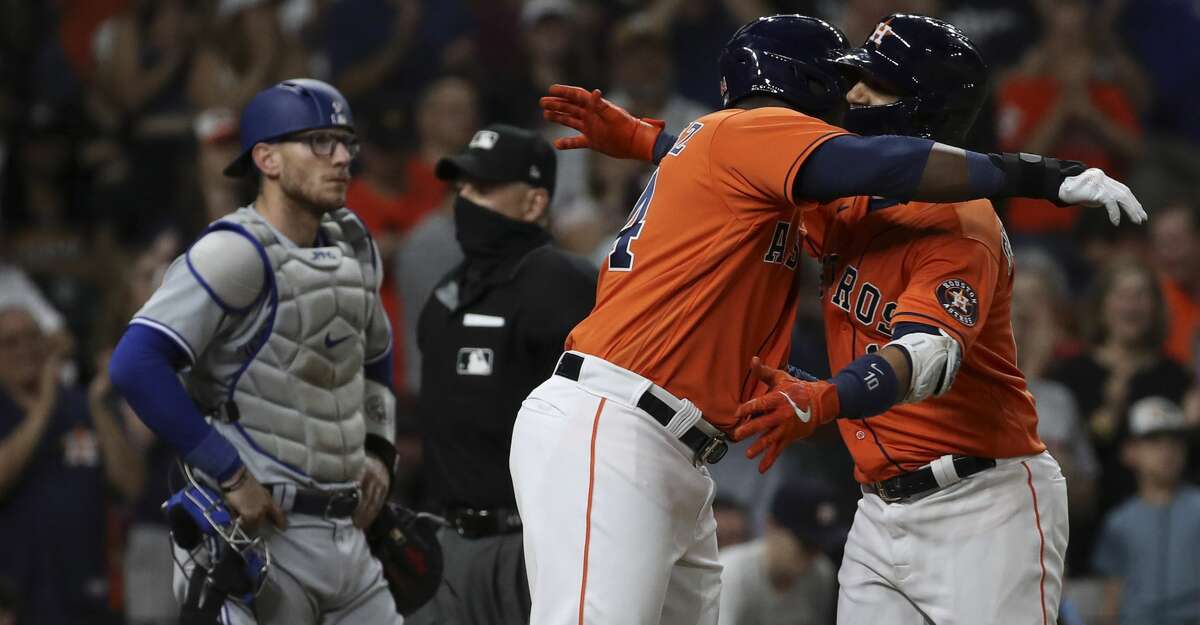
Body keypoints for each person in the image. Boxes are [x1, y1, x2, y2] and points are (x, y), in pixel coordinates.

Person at [524, 13, 1142, 625]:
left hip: (982, 503)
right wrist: (651, 141)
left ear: (918, 111)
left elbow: (928, 357)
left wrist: (827, 397)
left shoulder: (959, 226)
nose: (852, 93)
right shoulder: (836, 197)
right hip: (714, 454)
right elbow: (743, 160)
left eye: (876, 84)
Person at [108, 79, 403, 625]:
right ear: (265, 158)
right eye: (318, 142)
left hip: (346, 536)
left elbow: (376, 353)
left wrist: (380, 448)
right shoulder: (234, 251)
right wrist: (230, 473)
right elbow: (135, 363)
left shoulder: (352, 242)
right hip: (256, 534)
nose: (340, 157)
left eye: (345, 142)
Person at [409, 124, 597, 625]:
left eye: (484, 188)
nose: (465, 200)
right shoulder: (446, 294)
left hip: (531, 545)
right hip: (447, 541)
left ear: (534, 203)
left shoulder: (566, 286)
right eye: (462, 187)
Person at [0, 306, 143, 625]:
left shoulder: (83, 405)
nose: (25, 349)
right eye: (10, 342)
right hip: (16, 600)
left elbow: (131, 484)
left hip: (90, 598)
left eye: (33, 338)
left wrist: (95, 405)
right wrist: (46, 402)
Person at [1050, 260, 1193, 522]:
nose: (1132, 305)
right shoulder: (1073, 373)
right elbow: (1070, 454)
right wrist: (1109, 412)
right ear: (1102, 306)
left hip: (1164, 519)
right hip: (1091, 519)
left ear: (1155, 308)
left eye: (1141, 295)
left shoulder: (1176, 375)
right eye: (1122, 295)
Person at [1093, 396, 1200, 625]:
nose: (1166, 450)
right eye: (1153, 441)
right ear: (1130, 452)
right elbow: (1113, 594)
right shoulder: (1119, 521)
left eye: (1175, 441)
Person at [717, 477, 843, 625]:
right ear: (772, 526)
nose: (813, 556)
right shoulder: (730, 573)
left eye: (820, 545)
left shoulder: (821, 574)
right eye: (806, 544)